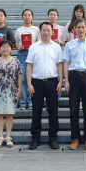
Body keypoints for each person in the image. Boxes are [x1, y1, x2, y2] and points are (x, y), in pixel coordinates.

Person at [27, 22, 64, 150]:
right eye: (44, 30)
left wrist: (60, 82)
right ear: (40, 31)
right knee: (36, 111)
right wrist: (29, 83)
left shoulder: (57, 47)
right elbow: (29, 66)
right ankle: (35, 139)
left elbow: (59, 65)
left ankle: (53, 138)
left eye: (48, 30)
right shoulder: (33, 47)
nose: (46, 32)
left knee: (53, 111)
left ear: (52, 32)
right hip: (36, 82)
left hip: (52, 82)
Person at [64, 18, 86, 150]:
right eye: (78, 27)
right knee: (73, 109)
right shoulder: (69, 45)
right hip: (73, 76)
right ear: (74, 29)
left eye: (83, 27)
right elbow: (66, 63)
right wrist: (66, 80)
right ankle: (75, 138)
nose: (81, 29)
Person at [0, 40, 22, 149]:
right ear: (0, 49)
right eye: (3, 47)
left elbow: (19, 77)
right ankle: (0, 137)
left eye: (7, 47)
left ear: (11, 49)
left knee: (9, 114)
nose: (5, 49)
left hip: (11, 91)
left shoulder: (16, 61)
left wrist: (19, 91)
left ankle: (8, 137)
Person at [15, 9, 40, 110]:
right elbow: (15, 44)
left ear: (32, 17)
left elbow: (39, 43)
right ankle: (22, 101)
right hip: (22, 54)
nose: (27, 17)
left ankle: (30, 101)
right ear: (22, 17)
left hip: (33, 54)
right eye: (25, 15)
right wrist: (18, 46)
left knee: (32, 78)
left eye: (29, 15)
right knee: (23, 78)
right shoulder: (19, 30)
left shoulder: (36, 30)